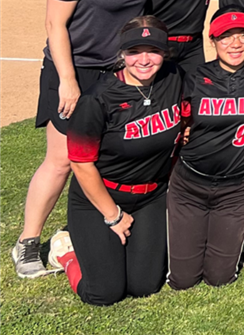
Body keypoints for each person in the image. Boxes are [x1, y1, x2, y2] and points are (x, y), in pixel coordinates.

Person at [13, 0, 148, 279]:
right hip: (74, 71)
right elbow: (55, 25)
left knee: (103, 155)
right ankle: (27, 243)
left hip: (115, 74)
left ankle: (92, 225)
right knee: (62, 161)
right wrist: (68, 81)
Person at [47, 17, 182, 305]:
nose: (144, 60)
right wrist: (114, 217)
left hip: (151, 196)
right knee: (104, 292)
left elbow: (190, 113)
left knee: (144, 286)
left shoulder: (173, 78)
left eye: (153, 50)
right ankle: (65, 251)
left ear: (165, 52)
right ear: (122, 54)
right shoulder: (97, 99)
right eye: (134, 51)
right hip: (100, 198)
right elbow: (81, 165)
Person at [166, 6, 244, 290]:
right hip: (190, 185)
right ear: (213, 41)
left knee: (220, 278)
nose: (235, 44)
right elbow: (173, 123)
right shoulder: (193, 77)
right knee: (183, 280)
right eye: (226, 37)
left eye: (243, 35)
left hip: (236, 189)